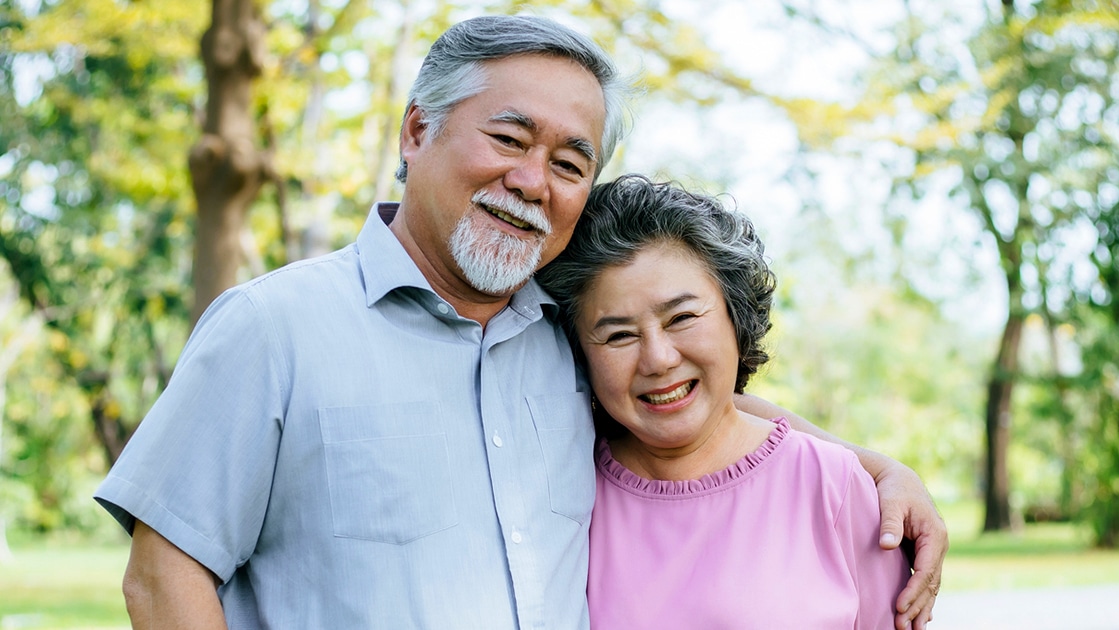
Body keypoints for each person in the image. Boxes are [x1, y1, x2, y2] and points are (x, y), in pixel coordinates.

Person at [94, 14, 944, 629]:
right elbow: (162, 578)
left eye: (570, 162)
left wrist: (875, 470)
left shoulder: (563, 338)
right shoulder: (272, 328)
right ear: (418, 130)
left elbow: (692, 402)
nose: (535, 180)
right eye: (509, 138)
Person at [537, 174, 912, 629]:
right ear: (580, 355)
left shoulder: (833, 485)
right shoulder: (562, 492)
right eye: (618, 335)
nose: (657, 359)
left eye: (681, 317)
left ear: (736, 318)